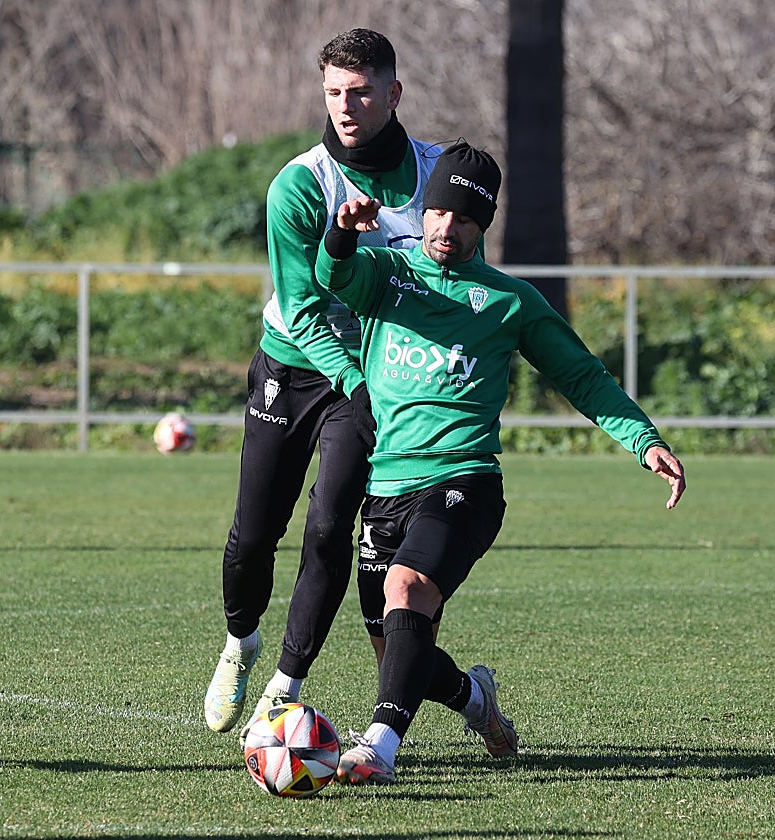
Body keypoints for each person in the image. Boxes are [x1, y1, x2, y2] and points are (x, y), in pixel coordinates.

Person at [313, 140, 687, 784]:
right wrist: (341, 237)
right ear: (423, 210)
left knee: (407, 590)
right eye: (438, 213)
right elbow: (334, 278)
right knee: (398, 644)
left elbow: (582, 376)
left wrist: (643, 439)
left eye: (463, 218)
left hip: (464, 483)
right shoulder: (388, 274)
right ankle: (476, 699)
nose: (445, 228)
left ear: (483, 226)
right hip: (386, 487)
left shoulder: (510, 301)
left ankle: (378, 746)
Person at [205, 28, 486, 747]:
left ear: (394, 93)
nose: (345, 105)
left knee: (331, 527)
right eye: (333, 91)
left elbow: (458, 273)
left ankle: (284, 687)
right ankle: (242, 643)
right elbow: (299, 308)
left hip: (370, 381)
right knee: (252, 536)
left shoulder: (436, 177)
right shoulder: (301, 184)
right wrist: (356, 376)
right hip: (296, 367)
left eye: (360, 91)